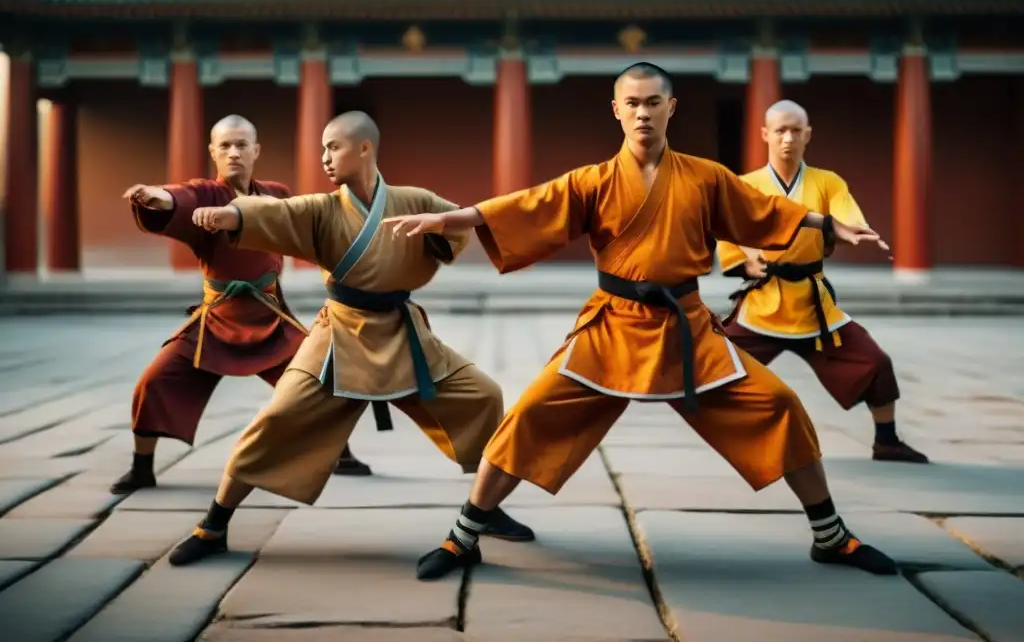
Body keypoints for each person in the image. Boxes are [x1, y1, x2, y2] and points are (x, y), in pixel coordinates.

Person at [385, 63, 900, 581]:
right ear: (617, 110)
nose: (642, 112)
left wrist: (828, 223)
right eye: (631, 103)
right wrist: (451, 218)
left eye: (652, 102)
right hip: (613, 325)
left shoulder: (706, 176)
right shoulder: (596, 180)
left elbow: (762, 209)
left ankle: (830, 535)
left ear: (670, 107)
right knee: (530, 414)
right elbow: (531, 203)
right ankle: (464, 535)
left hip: (687, 330)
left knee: (780, 405)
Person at [164, 111, 533, 566]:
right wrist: (231, 214)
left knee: (483, 397)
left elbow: (459, 221)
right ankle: (213, 525)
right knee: (275, 420)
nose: (324, 158)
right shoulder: (322, 209)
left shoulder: (413, 199)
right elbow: (278, 212)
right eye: (321, 149)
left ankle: (487, 507)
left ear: (365, 149)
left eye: (333, 147)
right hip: (339, 338)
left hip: (403, 335)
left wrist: (439, 226)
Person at [112, 114, 370, 496]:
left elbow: (306, 223)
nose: (234, 153)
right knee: (155, 381)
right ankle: (141, 467)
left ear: (255, 151)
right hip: (216, 319)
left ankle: (341, 453)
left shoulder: (276, 193)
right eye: (226, 146)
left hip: (269, 316)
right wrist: (157, 198)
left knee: (322, 381)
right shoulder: (205, 193)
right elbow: (179, 198)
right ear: (213, 152)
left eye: (241, 145)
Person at [716, 100, 927, 464]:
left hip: (813, 307)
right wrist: (746, 263)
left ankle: (887, 440)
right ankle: (736, 436)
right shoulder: (746, 185)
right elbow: (727, 231)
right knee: (718, 365)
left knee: (874, 361)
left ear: (807, 135)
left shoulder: (827, 182)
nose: (787, 138)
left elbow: (844, 215)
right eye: (780, 130)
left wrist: (853, 231)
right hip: (763, 304)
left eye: (795, 130)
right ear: (765, 134)